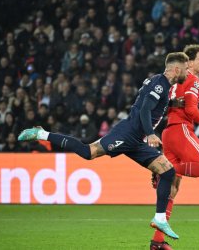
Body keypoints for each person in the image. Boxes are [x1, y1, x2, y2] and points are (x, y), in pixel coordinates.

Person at [17, 52, 190, 240]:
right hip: (128, 133)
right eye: (186, 69)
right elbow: (145, 109)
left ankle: (160, 218)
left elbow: (151, 103)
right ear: (176, 69)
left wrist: (173, 103)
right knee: (88, 152)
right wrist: (150, 133)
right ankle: (41, 134)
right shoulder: (159, 84)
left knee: (167, 172)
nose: (188, 73)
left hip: (135, 139)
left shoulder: (159, 83)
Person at [150, 45, 199, 250]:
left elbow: (170, 103)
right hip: (181, 130)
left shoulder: (175, 80)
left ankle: (157, 242)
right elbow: (190, 108)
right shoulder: (193, 80)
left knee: (172, 190)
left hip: (168, 132)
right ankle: (163, 170)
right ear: (188, 62)